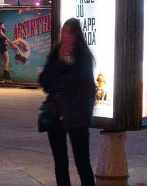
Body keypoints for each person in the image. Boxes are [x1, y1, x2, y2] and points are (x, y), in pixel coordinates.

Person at [38, 18, 97, 186]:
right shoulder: (57, 54)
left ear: (76, 36)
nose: (65, 36)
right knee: (60, 163)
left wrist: (56, 84)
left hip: (76, 115)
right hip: (55, 114)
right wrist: (60, 62)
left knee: (82, 162)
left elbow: (80, 82)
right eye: (63, 32)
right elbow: (43, 80)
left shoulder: (83, 57)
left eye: (69, 33)